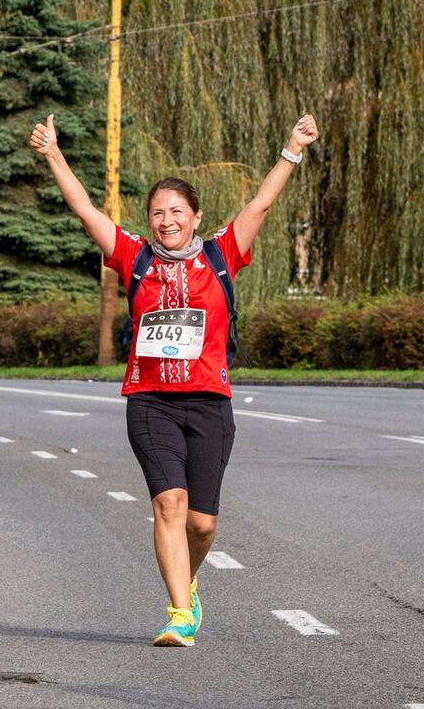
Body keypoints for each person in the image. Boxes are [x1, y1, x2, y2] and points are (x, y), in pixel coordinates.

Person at [31, 112, 319, 646]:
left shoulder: (221, 254)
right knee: (169, 503)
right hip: (150, 400)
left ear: (196, 216)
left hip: (210, 401)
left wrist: (292, 147)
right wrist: (53, 153)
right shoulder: (133, 256)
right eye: (158, 213)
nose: (166, 221)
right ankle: (180, 614)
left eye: (177, 212)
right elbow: (85, 208)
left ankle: (187, 577)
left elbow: (260, 204)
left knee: (203, 524)